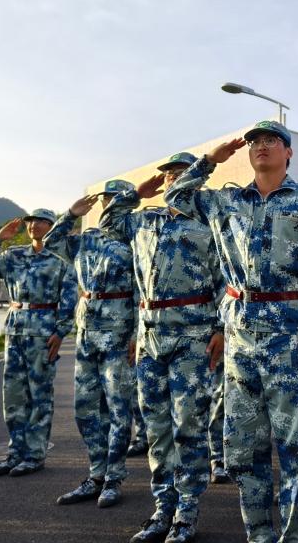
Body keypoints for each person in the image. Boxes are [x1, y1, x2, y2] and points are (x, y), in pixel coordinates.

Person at [164, 121, 298, 543]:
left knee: (294, 446)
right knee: (244, 449)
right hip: (241, 337)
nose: (262, 146)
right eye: (255, 142)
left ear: (289, 152)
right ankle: (259, 534)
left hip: (290, 336)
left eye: (271, 140)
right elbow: (175, 197)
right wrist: (209, 161)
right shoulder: (226, 201)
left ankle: (292, 536)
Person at [101, 152, 226, 543]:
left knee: (188, 425)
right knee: (156, 428)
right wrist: (136, 194)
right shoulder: (143, 221)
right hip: (151, 337)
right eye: (169, 173)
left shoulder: (208, 222)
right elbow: (108, 223)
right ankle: (162, 508)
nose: (173, 178)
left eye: (180, 173)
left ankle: (186, 512)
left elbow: (225, 279)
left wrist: (221, 328)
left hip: (193, 335)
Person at [44, 179, 140, 509]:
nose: (109, 203)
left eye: (116, 198)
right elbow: (51, 242)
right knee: (85, 409)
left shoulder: (135, 237)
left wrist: (137, 334)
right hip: (87, 333)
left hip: (118, 332)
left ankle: (113, 478)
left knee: (118, 409)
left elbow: (143, 289)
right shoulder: (87, 239)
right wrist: (71, 214)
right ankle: (95, 473)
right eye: (106, 198)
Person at [0, 209, 77, 478]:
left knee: (39, 395)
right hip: (16, 330)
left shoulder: (60, 260)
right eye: (30, 221)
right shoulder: (14, 256)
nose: (33, 226)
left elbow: (69, 299)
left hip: (43, 332)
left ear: (51, 227)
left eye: (41, 222)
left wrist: (61, 332)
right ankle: (15, 453)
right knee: (13, 396)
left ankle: (35, 455)